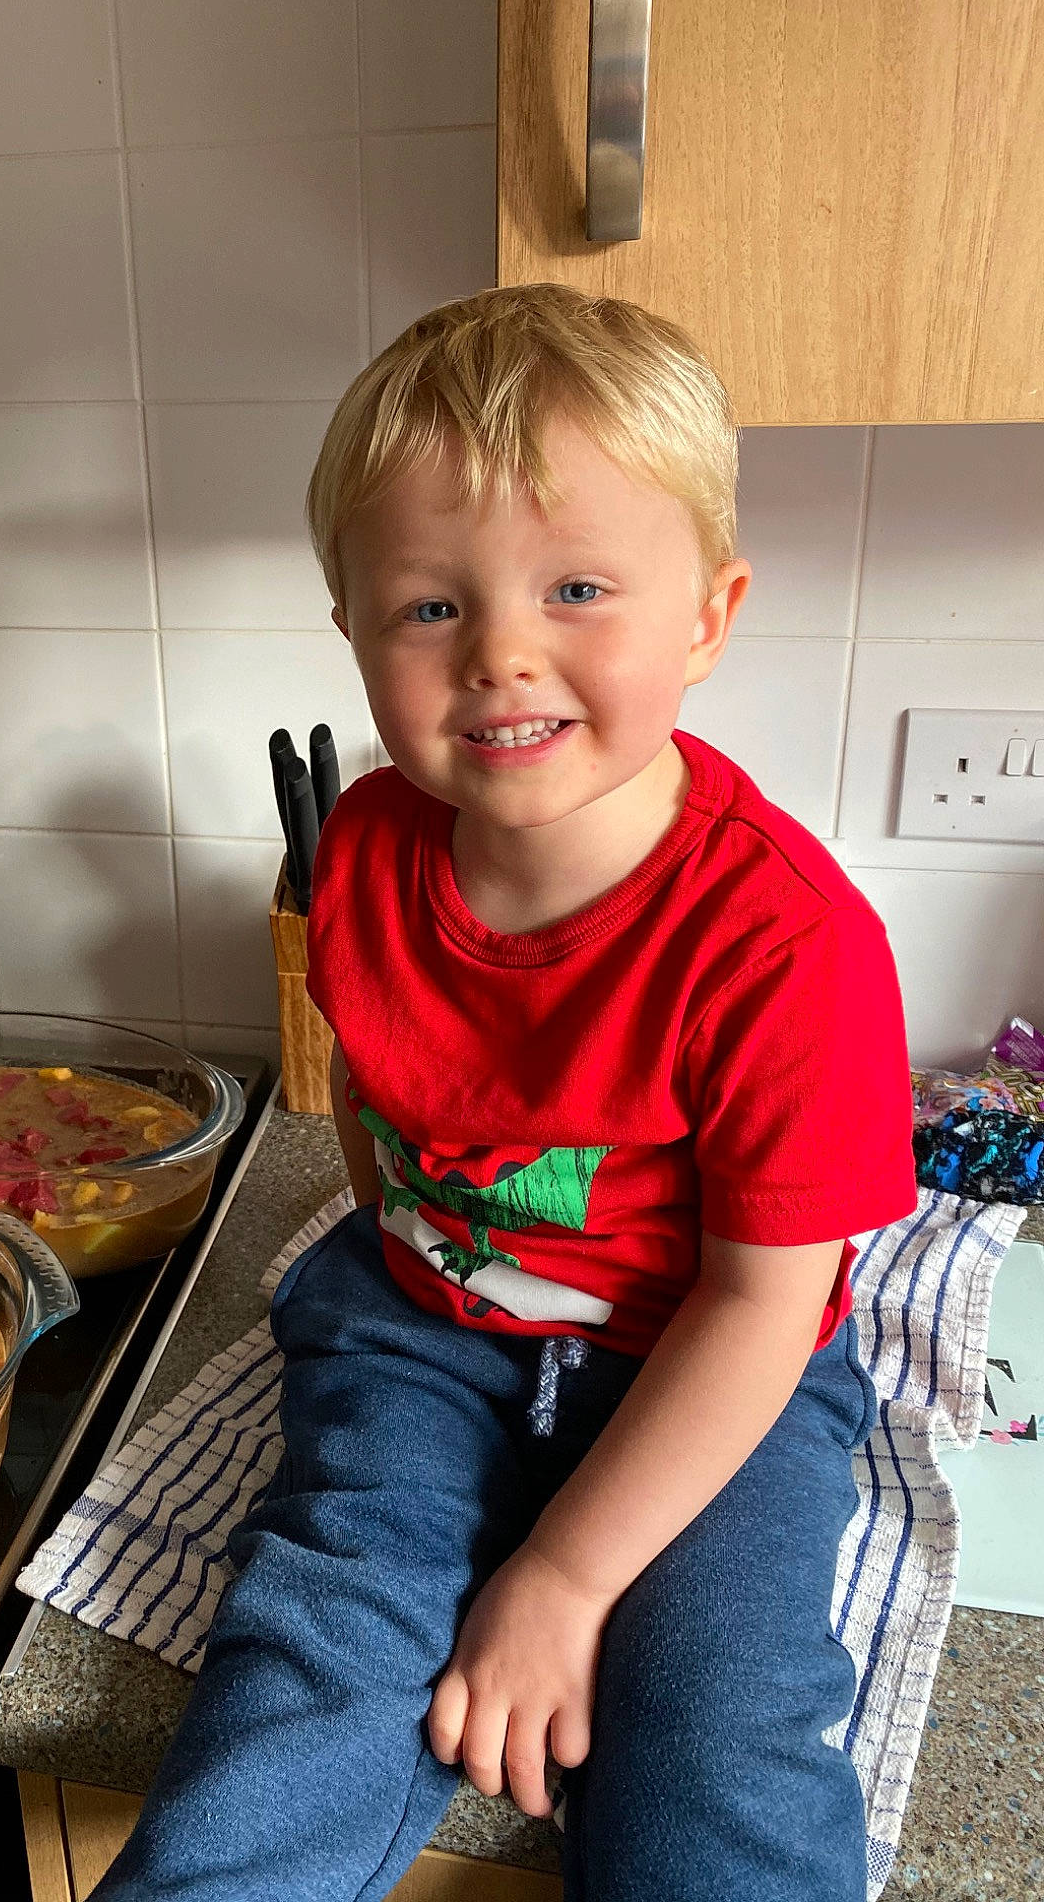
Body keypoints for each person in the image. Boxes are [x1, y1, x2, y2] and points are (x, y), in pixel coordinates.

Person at [93, 284, 916, 1902]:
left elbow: (765, 1306)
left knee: (724, 1736)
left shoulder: (789, 946)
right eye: (428, 609)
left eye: (579, 585)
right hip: (419, 1332)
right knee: (315, 1656)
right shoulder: (364, 861)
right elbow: (377, 1123)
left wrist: (561, 1569)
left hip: (705, 1371)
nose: (502, 654)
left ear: (710, 612)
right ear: (352, 628)